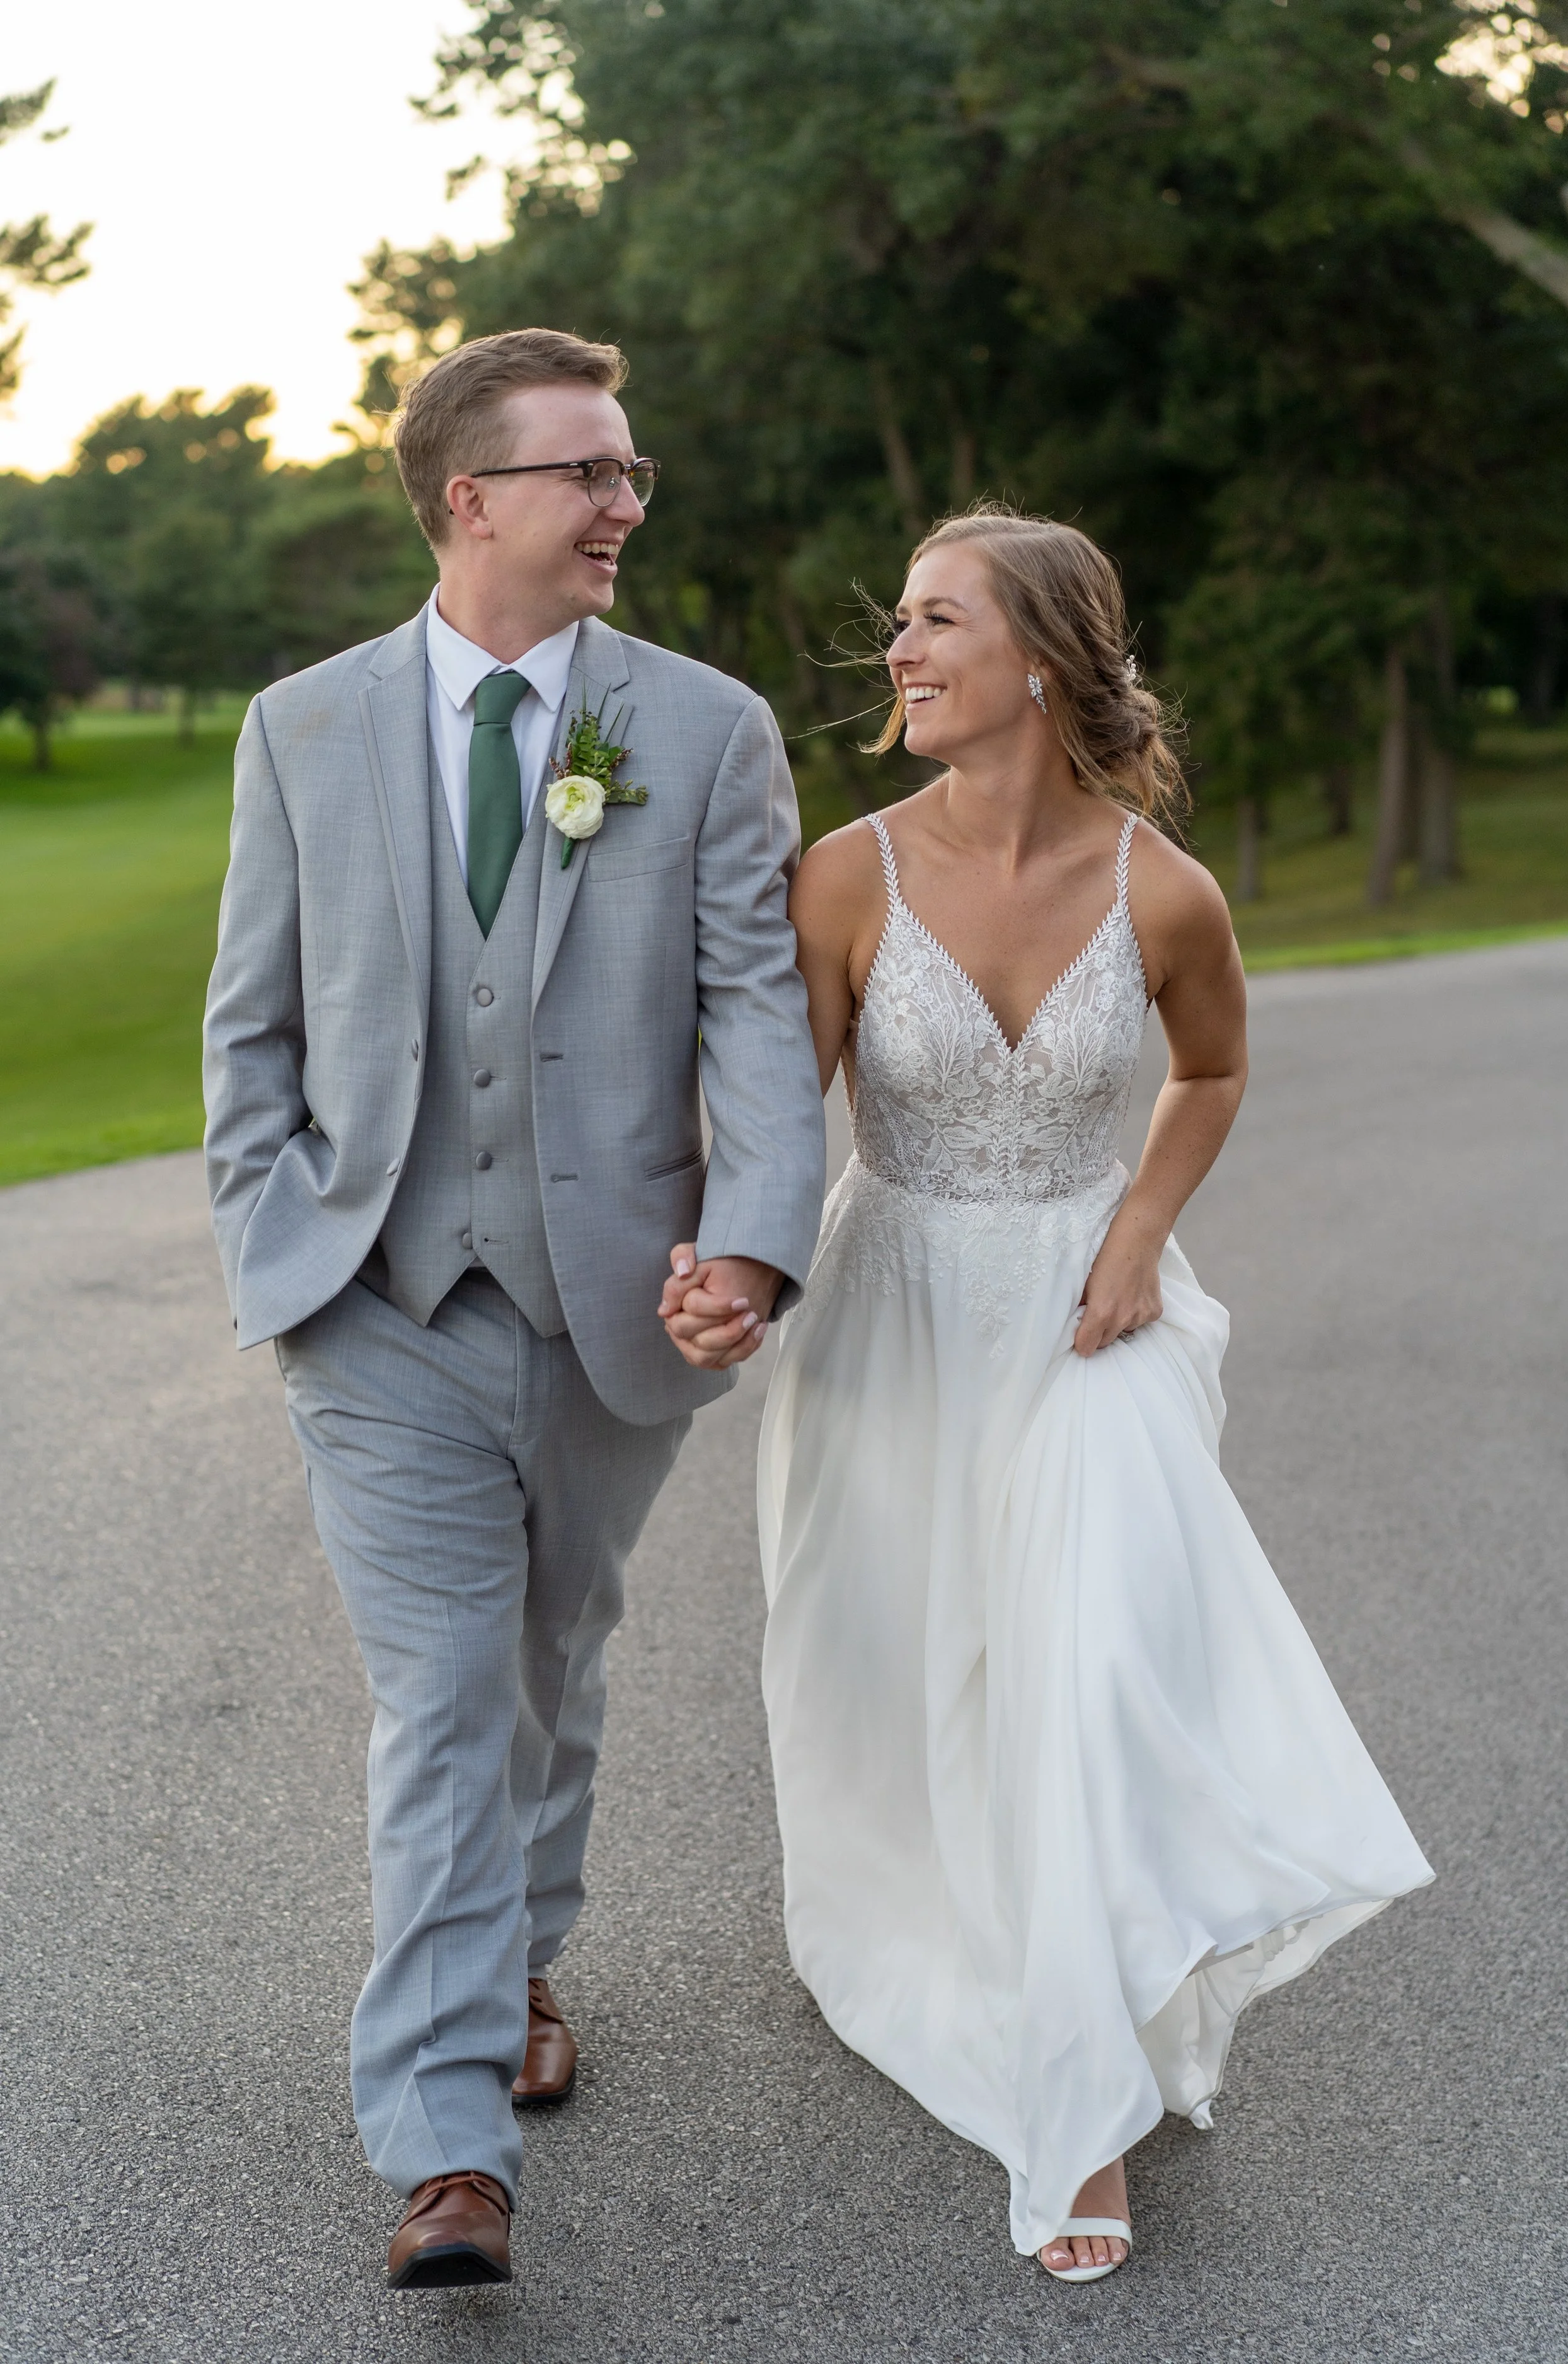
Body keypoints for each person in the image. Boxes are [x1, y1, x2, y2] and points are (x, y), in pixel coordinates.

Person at [742, 507, 1434, 2282]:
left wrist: (1136, 1230)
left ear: (1036, 657)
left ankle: (1081, 2106)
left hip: (1087, 1319)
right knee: (902, 1675)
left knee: (1079, 1680)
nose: (894, 652)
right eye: (896, 622)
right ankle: (951, 1943)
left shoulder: (1161, 889)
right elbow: (763, 1125)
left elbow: (1210, 1065)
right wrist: (725, 1267)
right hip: (891, 1315)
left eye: (932, 622)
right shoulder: (841, 874)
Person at [202, 328, 824, 2288]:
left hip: (611, 1297)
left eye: (631, 475)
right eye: (590, 474)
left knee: (550, 1657)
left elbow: (758, 1017)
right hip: (374, 1300)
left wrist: (756, 1235)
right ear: (471, 498)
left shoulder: (703, 729)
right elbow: (254, 1024)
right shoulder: (300, 727)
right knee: (446, 1697)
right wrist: (270, 1237)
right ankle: (448, 2140)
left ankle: (526, 1942)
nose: (626, 505)